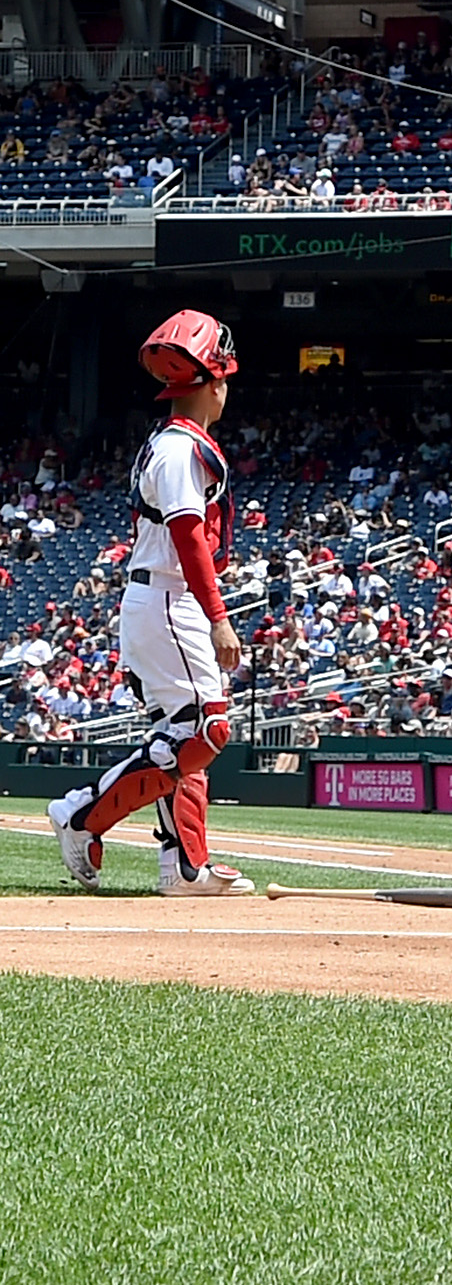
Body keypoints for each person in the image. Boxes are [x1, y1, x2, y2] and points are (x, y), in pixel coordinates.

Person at [47, 312, 255, 896]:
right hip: (170, 598)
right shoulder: (179, 450)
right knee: (205, 729)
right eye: (225, 378)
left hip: (161, 597)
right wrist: (219, 618)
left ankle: (185, 866)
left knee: (183, 732)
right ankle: (82, 814)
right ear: (213, 383)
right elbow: (189, 535)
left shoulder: (172, 446)